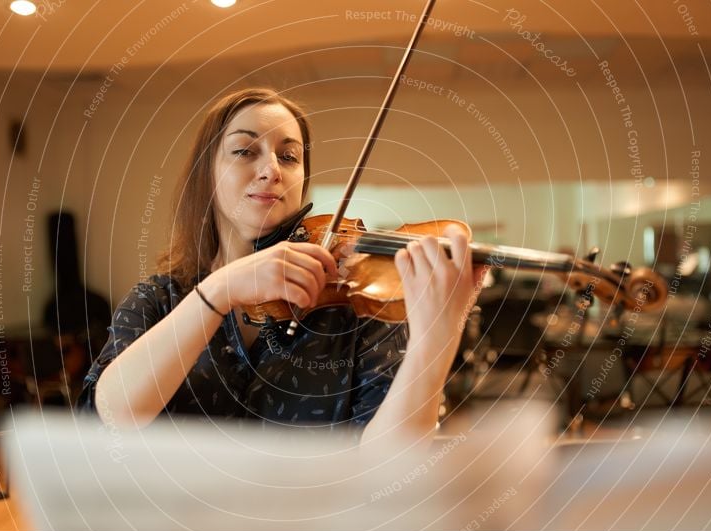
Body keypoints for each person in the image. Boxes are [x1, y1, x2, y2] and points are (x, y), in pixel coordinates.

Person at [77, 88, 484, 445]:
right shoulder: (159, 299)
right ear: (208, 175)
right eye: (244, 151)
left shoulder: (356, 307)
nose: (271, 169)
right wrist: (219, 290)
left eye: (289, 157)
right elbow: (107, 418)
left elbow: (387, 466)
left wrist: (436, 340)